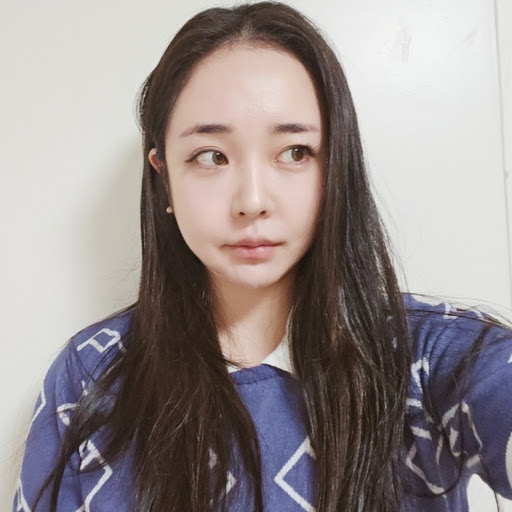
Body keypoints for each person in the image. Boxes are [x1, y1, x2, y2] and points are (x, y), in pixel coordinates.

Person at [13, 2, 512, 511]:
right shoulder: (91, 374)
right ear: (163, 178)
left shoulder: (429, 357)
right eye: (212, 156)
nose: (252, 201)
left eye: (295, 153)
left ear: (335, 166)